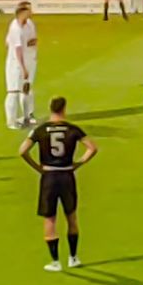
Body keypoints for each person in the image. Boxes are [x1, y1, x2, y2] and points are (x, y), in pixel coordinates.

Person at [18, 96, 98, 271]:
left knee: (50, 219)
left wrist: (37, 167)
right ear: (64, 109)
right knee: (71, 216)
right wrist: (79, 163)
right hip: (67, 175)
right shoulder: (73, 129)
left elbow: (22, 151)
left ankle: (55, 261)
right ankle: (73, 257)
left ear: (50, 109)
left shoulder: (41, 130)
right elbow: (92, 148)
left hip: (48, 177)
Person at [5, 1, 38, 130]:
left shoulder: (30, 24)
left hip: (30, 60)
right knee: (13, 92)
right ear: (21, 12)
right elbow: (17, 49)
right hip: (17, 65)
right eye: (29, 10)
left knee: (27, 88)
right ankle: (11, 121)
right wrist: (23, 67)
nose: (31, 12)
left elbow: (33, 41)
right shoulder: (16, 28)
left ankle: (28, 115)